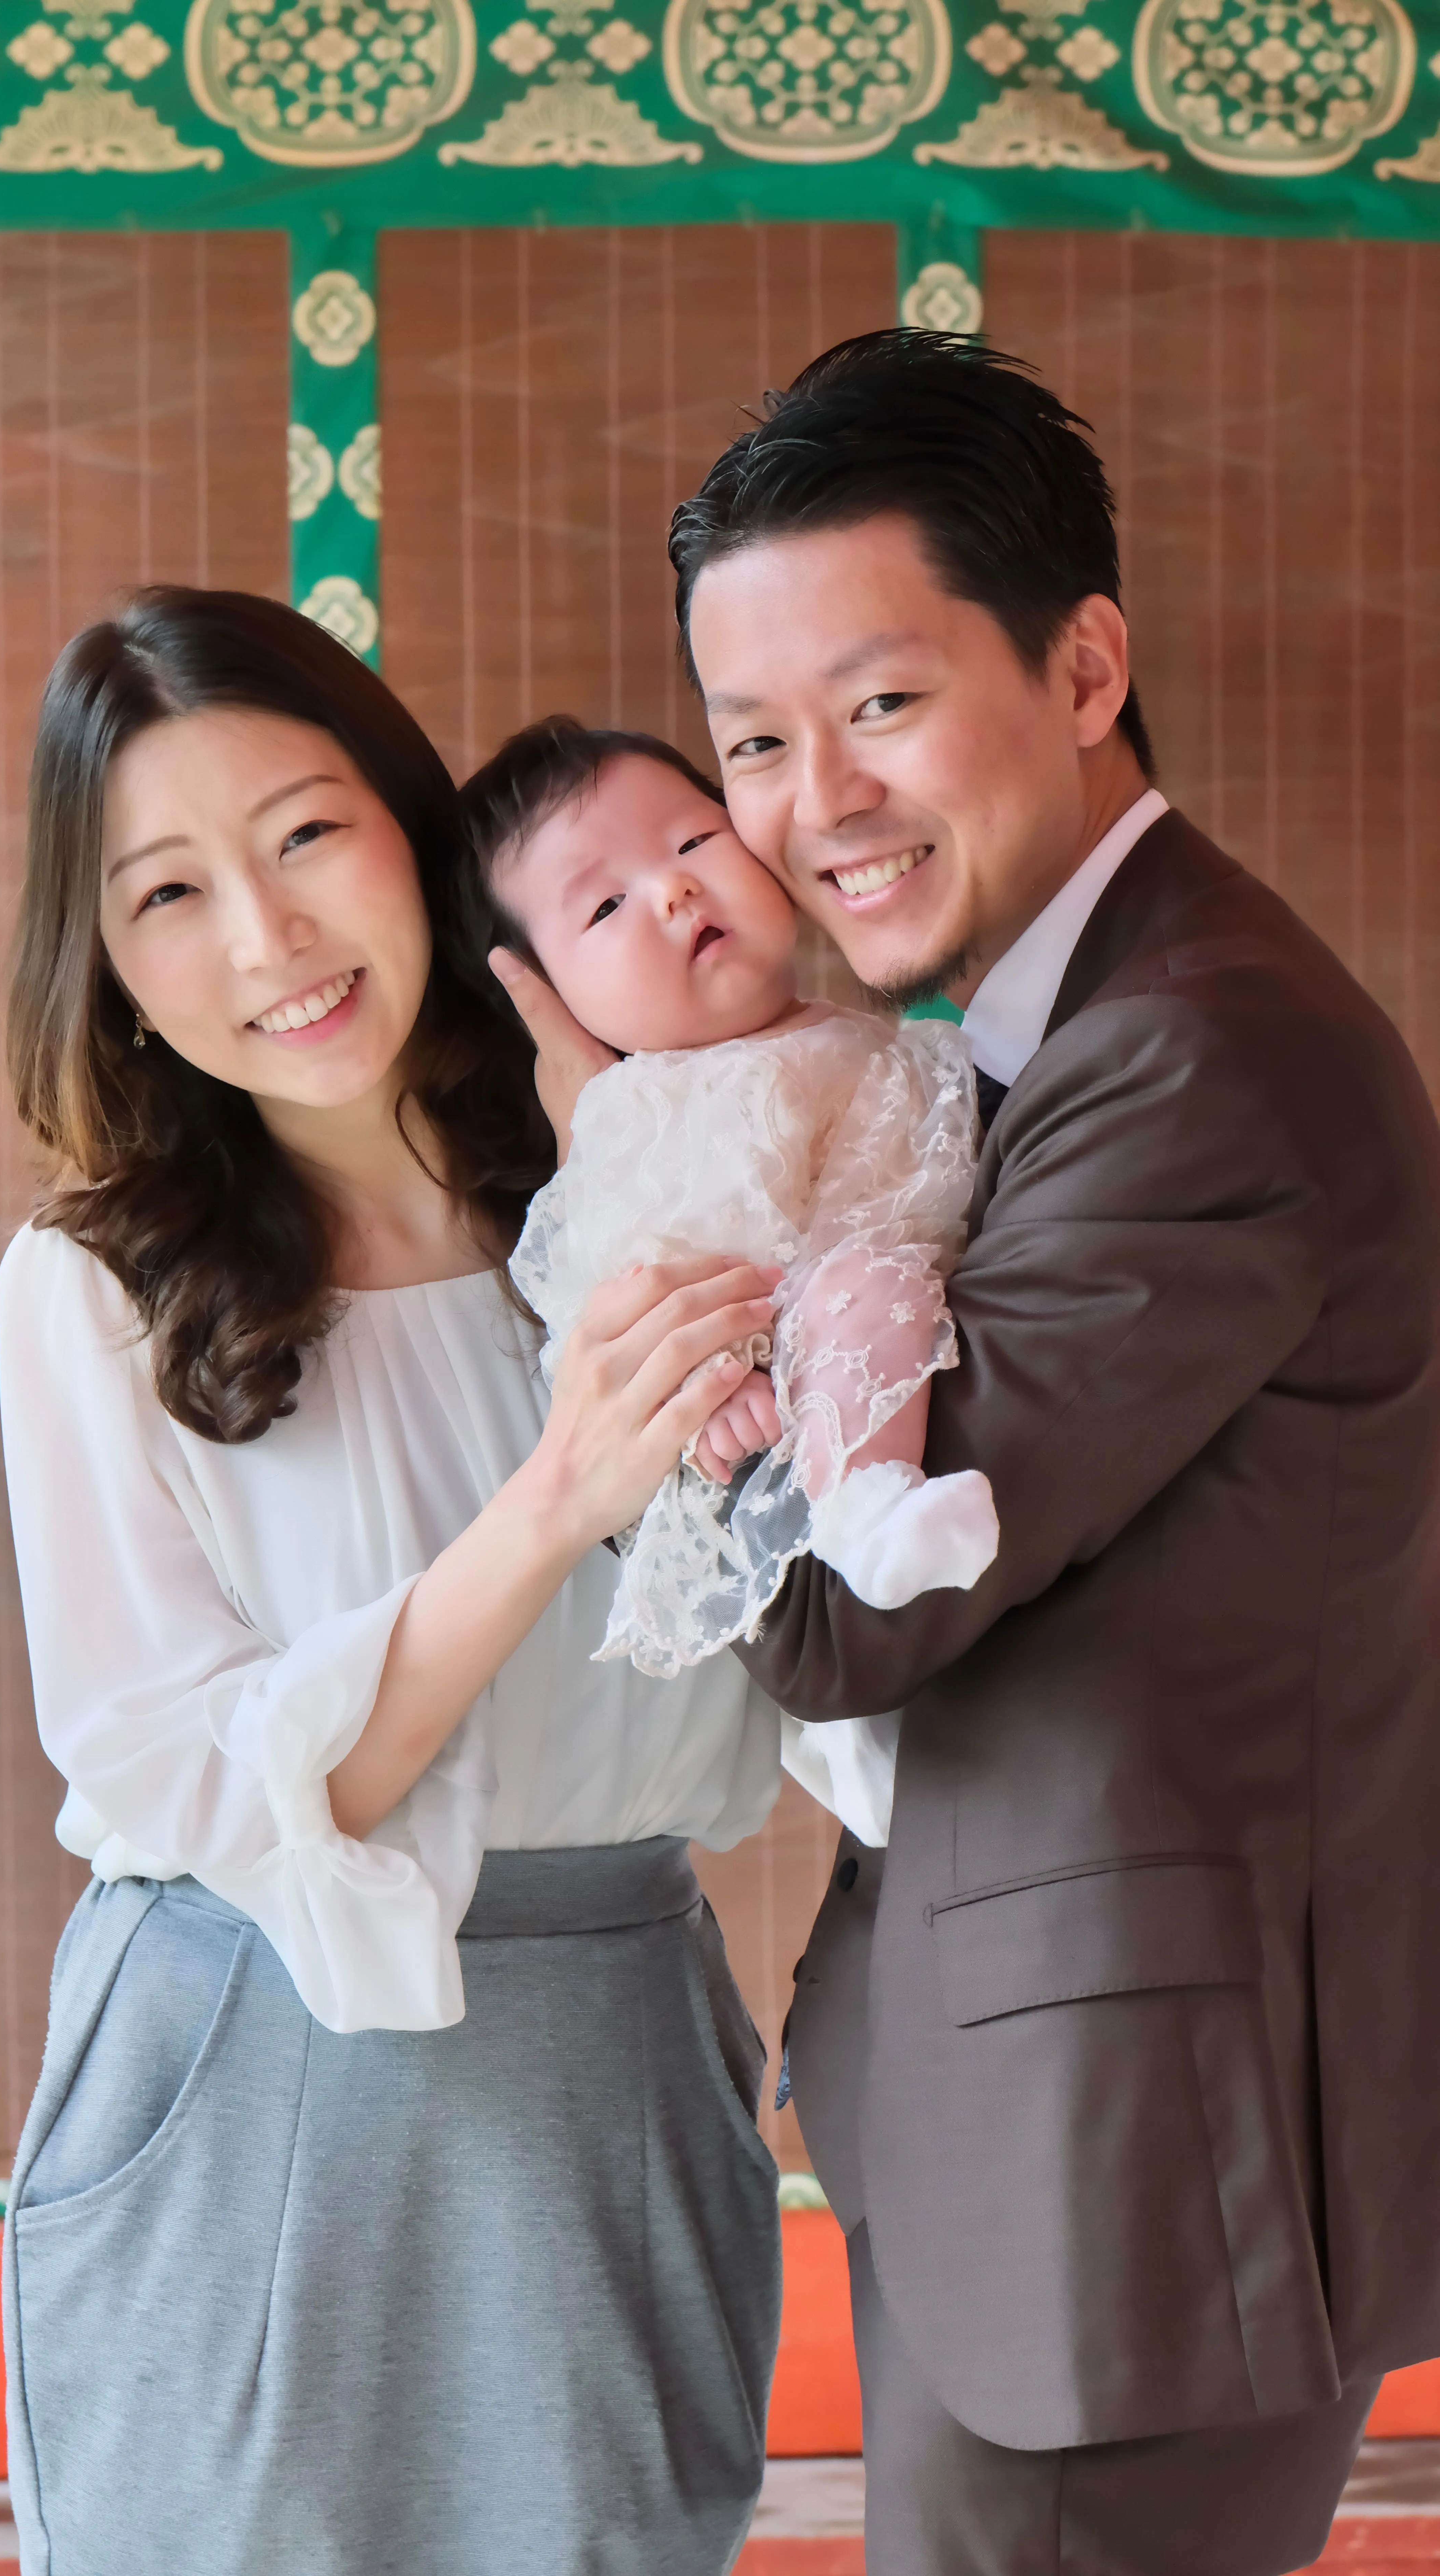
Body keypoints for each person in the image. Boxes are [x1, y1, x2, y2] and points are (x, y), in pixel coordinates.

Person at [496, 331, 1440, 2576]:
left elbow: (840, 1610)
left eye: (882, 702)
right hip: (1056, 2143)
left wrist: (622, 1241)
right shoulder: (1047, 1029)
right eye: (752, 743)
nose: (812, 803)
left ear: (1085, 658)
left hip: (1118, 2195)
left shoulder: (1188, 1055)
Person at [0, 586, 785, 2576]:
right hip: (246, 2069)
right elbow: (187, 1770)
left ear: (409, 827)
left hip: (605, 2040)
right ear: (101, 960)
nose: (266, 942)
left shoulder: (638, 1162)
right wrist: (547, 1499)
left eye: (306, 836)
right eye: (168, 892)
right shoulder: (89, 1290)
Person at [460, 712, 998, 1688]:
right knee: (865, 1292)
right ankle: (864, 1516)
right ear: (546, 1000)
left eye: (695, 841)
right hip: (802, 1363)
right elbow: (626, 1279)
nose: (672, 887)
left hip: (951, 1354)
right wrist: (720, 1386)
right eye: (605, 908)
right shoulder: (651, 1108)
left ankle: (873, 1699)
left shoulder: (867, 1028)